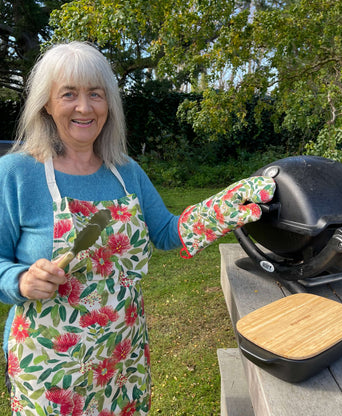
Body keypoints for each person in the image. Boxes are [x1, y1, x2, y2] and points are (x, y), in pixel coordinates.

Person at [0, 41, 275, 416]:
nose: (84, 107)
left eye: (95, 94)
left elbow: (165, 231)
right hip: (49, 367)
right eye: (69, 94)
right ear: (46, 104)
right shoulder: (17, 173)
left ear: (108, 104)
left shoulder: (125, 171)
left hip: (122, 358)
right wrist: (19, 280)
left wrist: (222, 209)